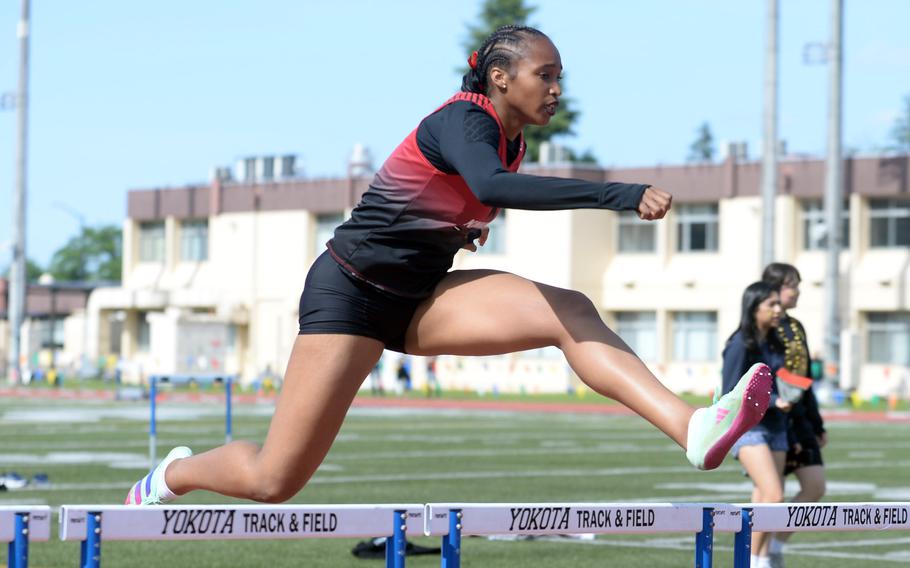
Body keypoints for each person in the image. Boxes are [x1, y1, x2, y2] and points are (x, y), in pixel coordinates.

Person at [125, 25, 771, 507]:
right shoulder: (464, 120)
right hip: (350, 293)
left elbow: (470, 197)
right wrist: (618, 195)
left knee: (570, 308)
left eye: (560, 77)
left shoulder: (510, 142)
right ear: (500, 77)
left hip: (422, 298)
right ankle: (174, 473)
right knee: (274, 480)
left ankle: (691, 427)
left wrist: (460, 232)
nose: (556, 88)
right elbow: (489, 186)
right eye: (545, 75)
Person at [762, 263, 827, 568]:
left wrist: (816, 422)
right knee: (768, 493)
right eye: (792, 285)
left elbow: (803, 379)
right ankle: (756, 557)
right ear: (774, 289)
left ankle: (775, 546)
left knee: (815, 486)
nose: (797, 290)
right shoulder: (762, 326)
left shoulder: (797, 326)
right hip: (772, 419)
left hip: (799, 419)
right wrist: (773, 402)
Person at [723, 282, 786, 568]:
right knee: (774, 494)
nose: (778, 309)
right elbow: (730, 393)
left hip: (776, 427)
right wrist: (774, 401)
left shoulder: (774, 341)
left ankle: (756, 558)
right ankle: (756, 560)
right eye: (771, 304)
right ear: (754, 307)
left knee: (763, 497)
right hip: (748, 427)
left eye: (778, 304)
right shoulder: (739, 343)